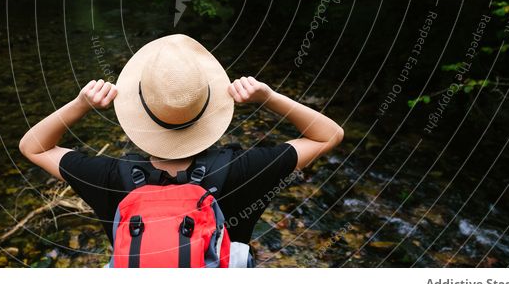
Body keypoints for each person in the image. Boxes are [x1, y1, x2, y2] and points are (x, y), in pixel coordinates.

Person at [18, 34, 344, 267]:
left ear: (140, 112)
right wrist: (268, 97)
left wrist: (80, 105)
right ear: (208, 104)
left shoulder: (108, 177)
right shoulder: (246, 169)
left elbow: (33, 147)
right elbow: (327, 136)